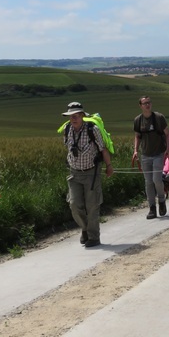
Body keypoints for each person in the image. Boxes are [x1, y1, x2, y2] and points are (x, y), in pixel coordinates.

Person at [62, 101, 113, 248]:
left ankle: (93, 237)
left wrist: (109, 166)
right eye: (71, 116)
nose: (73, 118)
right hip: (74, 173)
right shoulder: (67, 129)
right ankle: (84, 228)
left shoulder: (93, 129)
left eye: (77, 115)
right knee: (74, 205)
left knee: (92, 206)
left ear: (83, 116)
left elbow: (103, 149)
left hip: (91, 172)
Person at [133, 96, 169, 219]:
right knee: (148, 182)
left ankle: (161, 201)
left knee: (156, 180)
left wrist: (168, 149)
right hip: (145, 155)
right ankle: (152, 208)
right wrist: (135, 151)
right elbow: (137, 136)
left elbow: (167, 133)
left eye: (149, 103)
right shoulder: (138, 120)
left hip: (159, 153)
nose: (147, 105)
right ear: (140, 106)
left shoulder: (159, 117)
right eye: (144, 103)